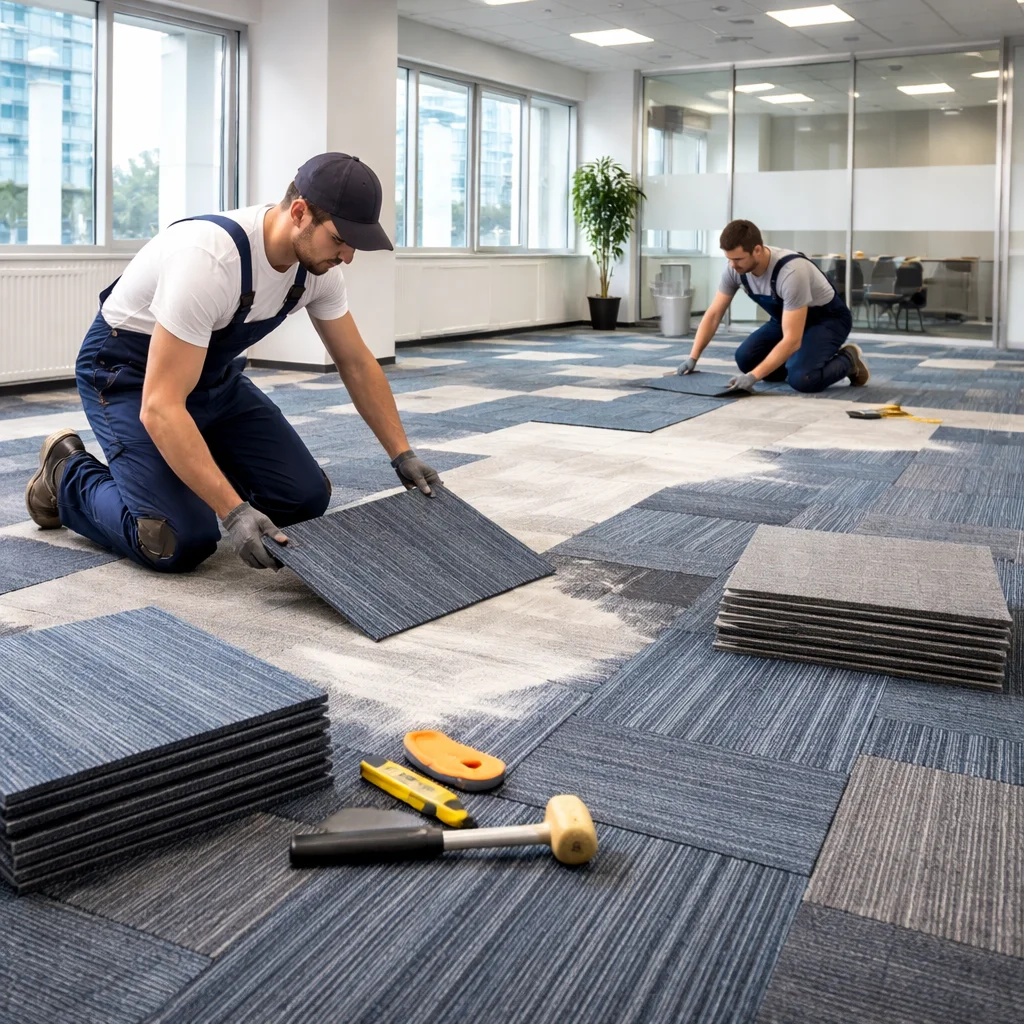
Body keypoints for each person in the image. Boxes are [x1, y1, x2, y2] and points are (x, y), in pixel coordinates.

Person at [25, 152, 441, 573]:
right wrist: (233, 511)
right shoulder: (209, 260)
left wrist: (402, 454)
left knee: (304, 499)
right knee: (177, 537)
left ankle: (190, 466)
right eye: (339, 239)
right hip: (126, 379)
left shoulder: (317, 270)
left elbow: (356, 363)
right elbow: (160, 406)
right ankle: (66, 475)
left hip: (211, 378)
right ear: (299, 212)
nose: (347, 256)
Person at [676, 219, 869, 393]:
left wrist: (754, 377)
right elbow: (714, 314)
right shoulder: (734, 269)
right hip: (785, 318)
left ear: (757, 250)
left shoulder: (791, 272)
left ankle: (849, 360)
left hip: (827, 320)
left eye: (738, 259)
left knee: (802, 379)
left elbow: (792, 340)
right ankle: (798, 362)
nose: (732, 265)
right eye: (729, 259)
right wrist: (693, 357)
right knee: (746, 359)